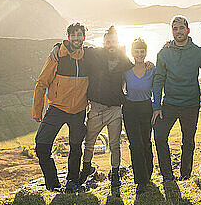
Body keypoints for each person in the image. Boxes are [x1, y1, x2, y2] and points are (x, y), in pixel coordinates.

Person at [50, 26, 153, 195]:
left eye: (113, 41)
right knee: (89, 142)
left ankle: (115, 175)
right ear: (104, 42)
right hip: (96, 108)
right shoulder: (94, 53)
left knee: (114, 145)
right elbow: (75, 47)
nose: (111, 44)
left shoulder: (123, 58)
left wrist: (148, 63)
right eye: (108, 41)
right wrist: (56, 46)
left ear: (117, 42)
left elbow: (136, 65)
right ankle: (86, 170)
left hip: (114, 110)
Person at [32, 23, 89, 193]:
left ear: (84, 37)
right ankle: (53, 184)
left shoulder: (89, 57)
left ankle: (72, 182)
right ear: (68, 37)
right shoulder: (57, 56)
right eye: (73, 35)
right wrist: (37, 110)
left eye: (79, 35)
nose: (76, 38)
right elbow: (41, 82)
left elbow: (112, 53)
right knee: (41, 146)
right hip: (56, 108)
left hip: (79, 110)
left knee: (76, 148)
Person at [152, 16, 201, 182]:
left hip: (191, 104)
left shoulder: (199, 52)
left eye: (181, 28)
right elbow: (158, 79)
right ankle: (167, 176)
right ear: (171, 31)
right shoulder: (164, 52)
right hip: (169, 104)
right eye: (175, 28)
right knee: (159, 136)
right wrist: (156, 106)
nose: (178, 31)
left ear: (188, 30)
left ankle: (185, 175)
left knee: (188, 140)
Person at [123, 38, 155, 194]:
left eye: (142, 51)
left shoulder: (151, 69)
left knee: (146, 143)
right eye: (137, 51)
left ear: (146, 52)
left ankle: (148, 174)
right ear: (132, 52)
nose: (140, 54)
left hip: (146, 107)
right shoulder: (126, 69)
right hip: (130, 109)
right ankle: (140, 181)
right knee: (135, 144)